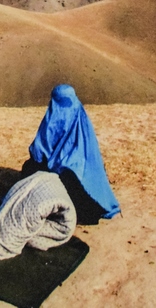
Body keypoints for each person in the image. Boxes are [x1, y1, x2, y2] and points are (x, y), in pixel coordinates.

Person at [22, 84, 120, 223]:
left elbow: (39, 151)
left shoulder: (53, 116)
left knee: (31, 169)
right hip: (82, 180)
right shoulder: (82, 119)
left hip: (67, 178)